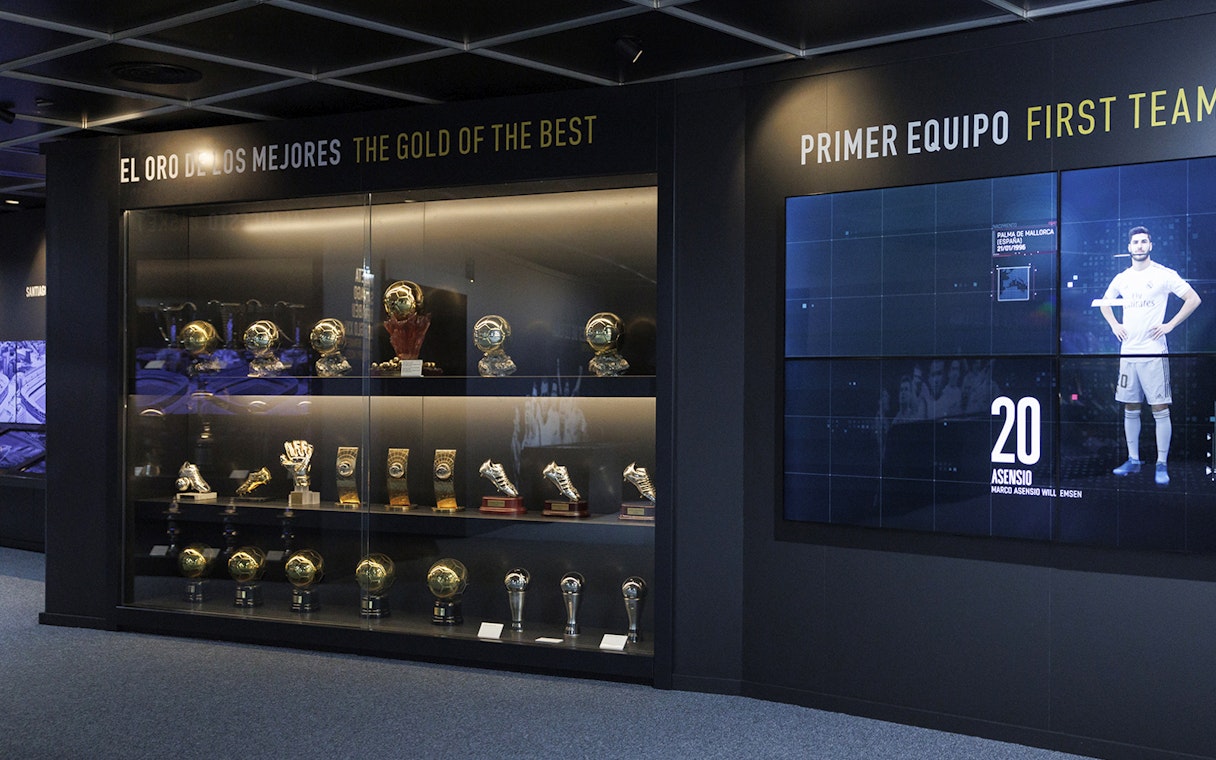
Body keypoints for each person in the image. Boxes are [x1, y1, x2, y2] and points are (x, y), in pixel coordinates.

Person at [1100, 226, 1201, 485]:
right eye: (1136, 242)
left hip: (1154, 351)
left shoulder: (1164, 274)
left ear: (1150, 245)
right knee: (1130, 406)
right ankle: (1133, 460)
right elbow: (1105, 302)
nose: (1140, 245)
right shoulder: (1122, 277)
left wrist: (1170, 325)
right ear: (1129, 248)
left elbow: (1193, 298)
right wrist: (1114, 325)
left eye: (1144, 241)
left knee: (1159, 407)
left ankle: (1161, 464)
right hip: (1128, 353)